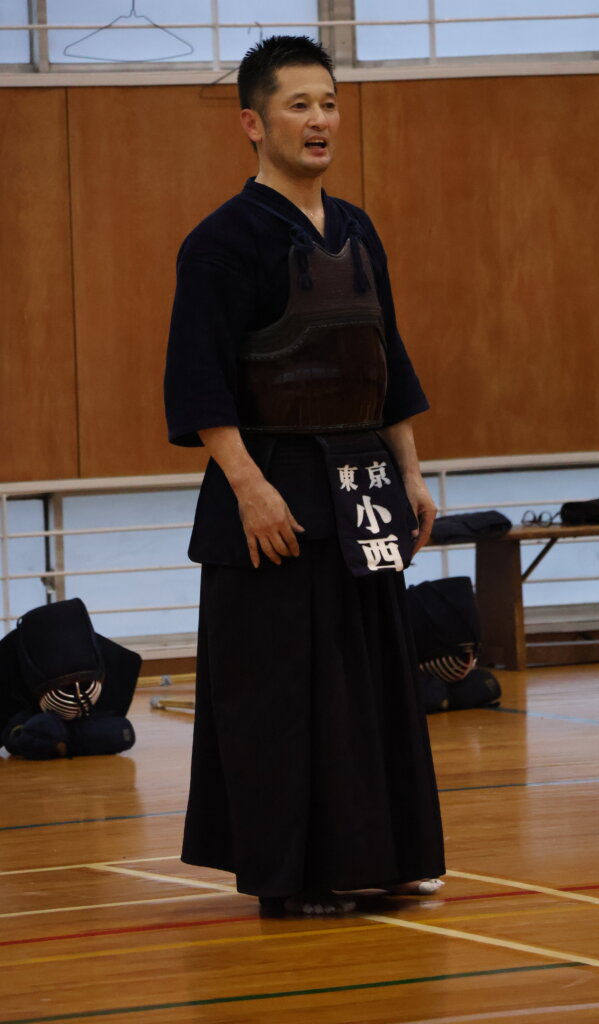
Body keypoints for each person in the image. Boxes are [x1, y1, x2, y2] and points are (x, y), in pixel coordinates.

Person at [164, 35, 445, 915]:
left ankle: (384, 855)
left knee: (374, 680)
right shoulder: (220, 242)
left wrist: (411, 473)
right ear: (253, 123)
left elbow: (384, 358)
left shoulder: (357, 229)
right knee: (285, 691)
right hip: (274, 483)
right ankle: (291, 878)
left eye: (328, 102)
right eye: (298, 105)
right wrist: (249, 487)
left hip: (361, 484)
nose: (319, 119)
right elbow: (199, 381)